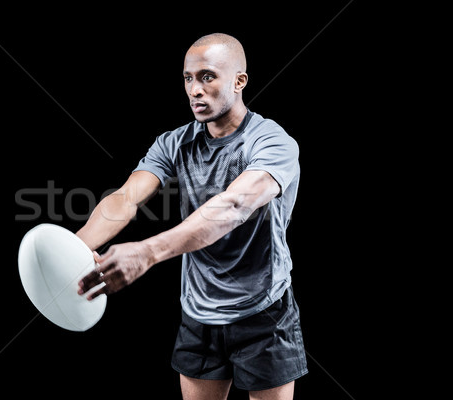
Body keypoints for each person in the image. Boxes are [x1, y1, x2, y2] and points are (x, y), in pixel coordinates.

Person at [76, 33, 308, 400]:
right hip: (199, 310)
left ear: (239, 81)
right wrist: (71, 249)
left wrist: (147, 252)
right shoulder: (174, 142)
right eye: (188, 78)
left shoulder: (271, 142)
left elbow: (233, 207)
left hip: (264, 309)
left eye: (207, 77)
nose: (194, 90)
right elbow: (124, 199)